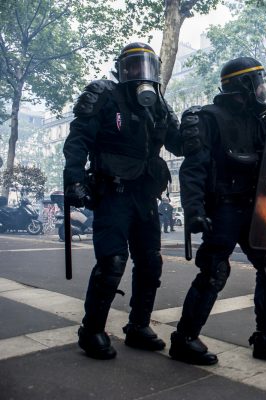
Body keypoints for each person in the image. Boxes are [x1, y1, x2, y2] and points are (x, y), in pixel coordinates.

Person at [170, 57, 266, 366]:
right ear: (243, 85)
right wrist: (194, 209)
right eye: (258, 82)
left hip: (254, 209)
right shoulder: (210, 118)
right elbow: (193, 168)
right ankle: (184, 339)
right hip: (224, 207)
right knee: (215, 271)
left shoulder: (261, 121)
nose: (263, 88)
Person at [63, 43, 181, 359]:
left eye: (147, 66)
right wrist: (73, 179)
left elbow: (179, 143)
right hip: (113, 192)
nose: (140, 73)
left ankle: (138, 326)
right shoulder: (104, 95)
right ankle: (91, 331)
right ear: (121, 70)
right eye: (132, 66)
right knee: (112, 261)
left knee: (150, 261)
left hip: (145, 195)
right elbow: (78, 140)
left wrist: (198, 127)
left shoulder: (158, 105)